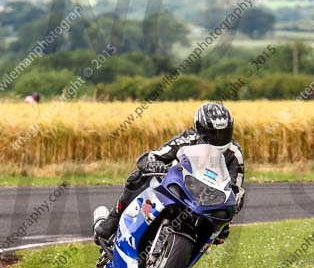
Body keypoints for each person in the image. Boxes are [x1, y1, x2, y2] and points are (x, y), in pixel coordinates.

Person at [94, 102, 245, 243]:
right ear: (200, 130)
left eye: (223, 133)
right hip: (177, 187)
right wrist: (154, 164)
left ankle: (181, 262)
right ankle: (113, 219)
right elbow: (153, 155)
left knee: (220, 233)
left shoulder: (234, 153)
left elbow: (235, 189)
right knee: (137, 177)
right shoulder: (188, 138)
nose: (218, 139)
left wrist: (229, 213)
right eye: (212, 134)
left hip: (207, 200)